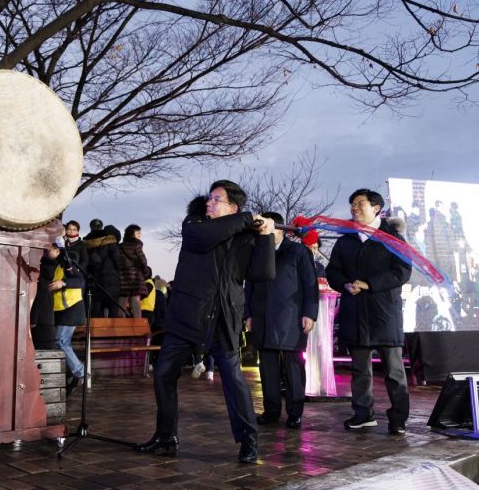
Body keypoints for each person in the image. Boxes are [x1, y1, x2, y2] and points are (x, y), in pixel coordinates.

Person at [135, 181, 275, 463]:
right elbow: (205, 237)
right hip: (187, 315)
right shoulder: (195, 224)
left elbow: (263, 272)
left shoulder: (245, 236)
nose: (209, 202)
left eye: (216, 199)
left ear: (232, 207)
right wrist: (247, 219)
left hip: (222, 317)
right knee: (164, 374)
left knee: (234, 380)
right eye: (210, 198)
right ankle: (166, 437)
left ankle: (249, 440)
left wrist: (266, 237)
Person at [326, 188, 412, 435]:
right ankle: (363, 414)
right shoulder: (345, 240)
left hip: (384, 312)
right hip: (355, 312)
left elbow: (402, 271)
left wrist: (369, 284)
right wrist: (344, 283)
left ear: (376, 208)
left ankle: (398, 418)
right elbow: (333, 271)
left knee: (394, 371)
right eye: (352, 204)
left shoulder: (392, 238)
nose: (354, 208)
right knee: (360, 369)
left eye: (360, 204)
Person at [245, 212, 319, 429]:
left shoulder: (298, 251)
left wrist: (310, 313)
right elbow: (249, 285)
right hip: (262, 316)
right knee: (266, 368)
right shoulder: (256, 251)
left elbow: (310, 285)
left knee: (293, 367)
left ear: (280, 228)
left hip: (292, 317)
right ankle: (271, 411)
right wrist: (248, 313)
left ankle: (295, 412)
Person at [51, 242, 87, 396]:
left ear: (56, 250)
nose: (47, 253)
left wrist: (63, 283)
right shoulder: (56, 265)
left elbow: (79, 281)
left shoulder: (69, 263)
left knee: (61, 342)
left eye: (50, 250)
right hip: (60, 310)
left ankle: (79, 372)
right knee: (59, 342)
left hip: (71, 310)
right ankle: (71, 373)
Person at [83, 218, 121, 318]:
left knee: (95, 313)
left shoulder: (85, 242)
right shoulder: (110, 240)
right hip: (111, 281)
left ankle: (95, 333)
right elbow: (117, 260)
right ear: (101, 226)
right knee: (113, 313)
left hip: (95, 282)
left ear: (90, 228)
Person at [118, 224, 150, 317]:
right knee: (136, 303)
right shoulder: (137, 245)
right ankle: (138, 327)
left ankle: (120, 326)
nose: (140, 235)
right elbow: (143, 260)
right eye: (138, 233)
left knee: (122, 303)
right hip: (135, 276)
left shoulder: (120, 246)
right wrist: (145, 272)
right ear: (131, 234)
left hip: (123, 276)